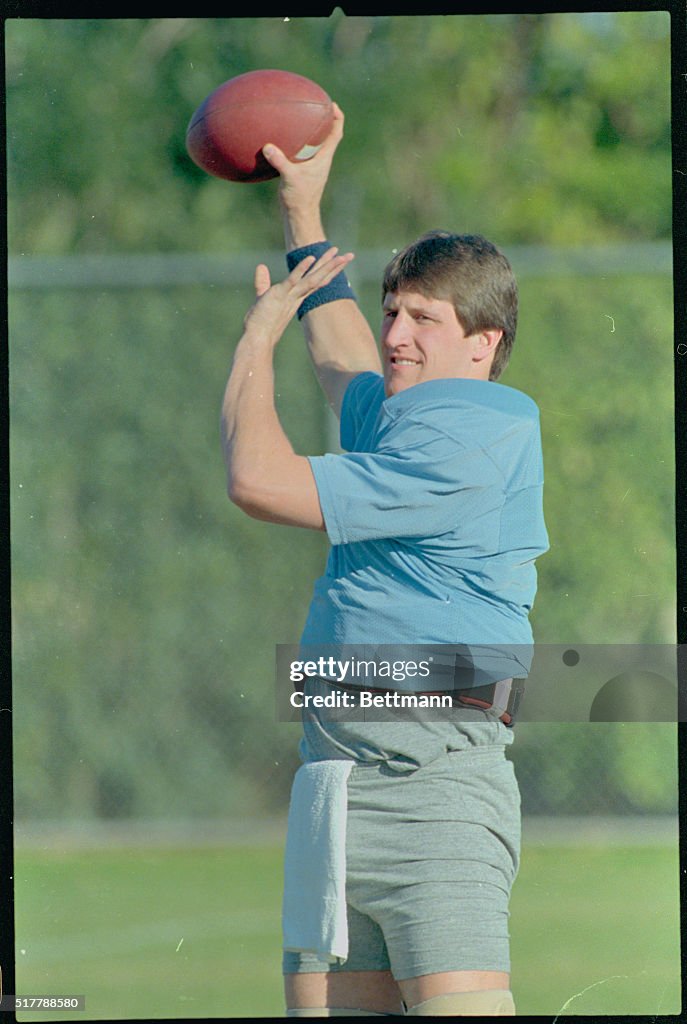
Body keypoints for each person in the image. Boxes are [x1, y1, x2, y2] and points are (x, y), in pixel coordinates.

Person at [220, 105, 549, 1016]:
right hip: (332, 786)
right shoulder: (410, 417)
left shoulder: (471, 436)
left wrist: (254, 339)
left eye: (424, 320)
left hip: (433, 791)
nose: (396, 333)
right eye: (392, 310)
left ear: (482, 344)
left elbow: (255, 478)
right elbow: (341, 359)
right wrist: (303, 215)